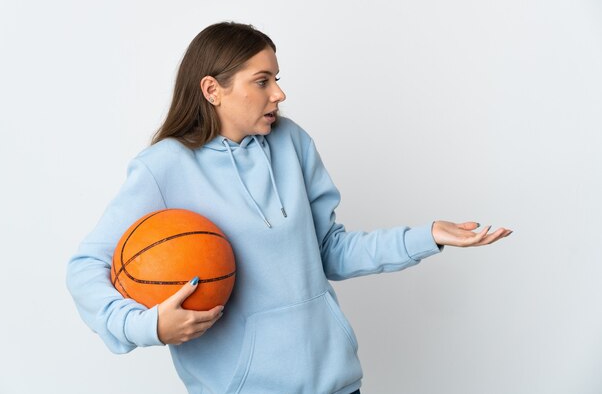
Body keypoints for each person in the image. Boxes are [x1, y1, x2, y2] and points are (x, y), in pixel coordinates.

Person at [66, 21, 511, 394]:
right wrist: (148, 326)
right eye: (262, 81)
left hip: (335, 383)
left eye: (277, 79)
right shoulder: (163, 167)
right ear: (212, 90)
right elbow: (87, 267)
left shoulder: (292, 142)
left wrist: (427, 234)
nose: (278, 94)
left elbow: (329, 251)